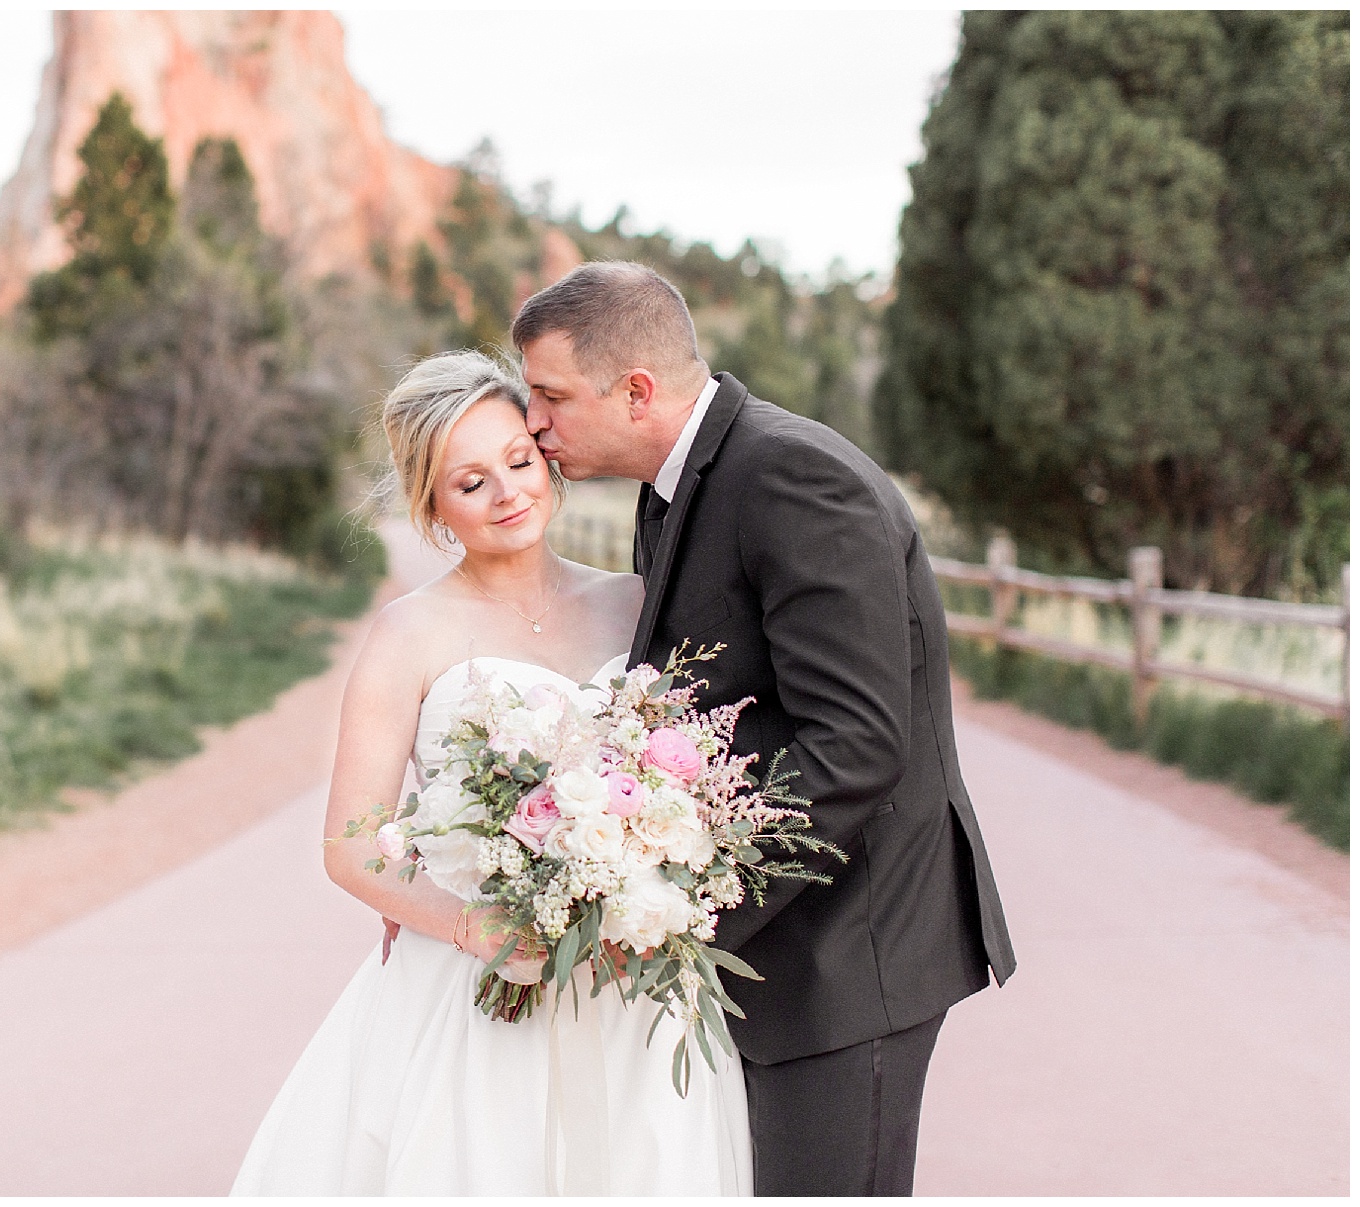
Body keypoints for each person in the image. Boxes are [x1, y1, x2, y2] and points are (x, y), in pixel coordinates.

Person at [513, 261, 1016, 1197]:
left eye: (548, 397)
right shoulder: (679, 485)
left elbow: (858, 742)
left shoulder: (792, 476)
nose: (533, 424)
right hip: (781, 952)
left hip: (851, 948)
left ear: (636, 390)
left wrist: (688, 911)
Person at [230, 351, 751, 1195]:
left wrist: (655, 869)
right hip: (482, 981)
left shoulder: (636, 600)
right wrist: (480, 926)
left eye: (519, 462)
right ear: (432, 505)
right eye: (471, 482)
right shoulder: (408, 634)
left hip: (634, 980)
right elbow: (350, 844)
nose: (509, 493)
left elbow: (688, 773)